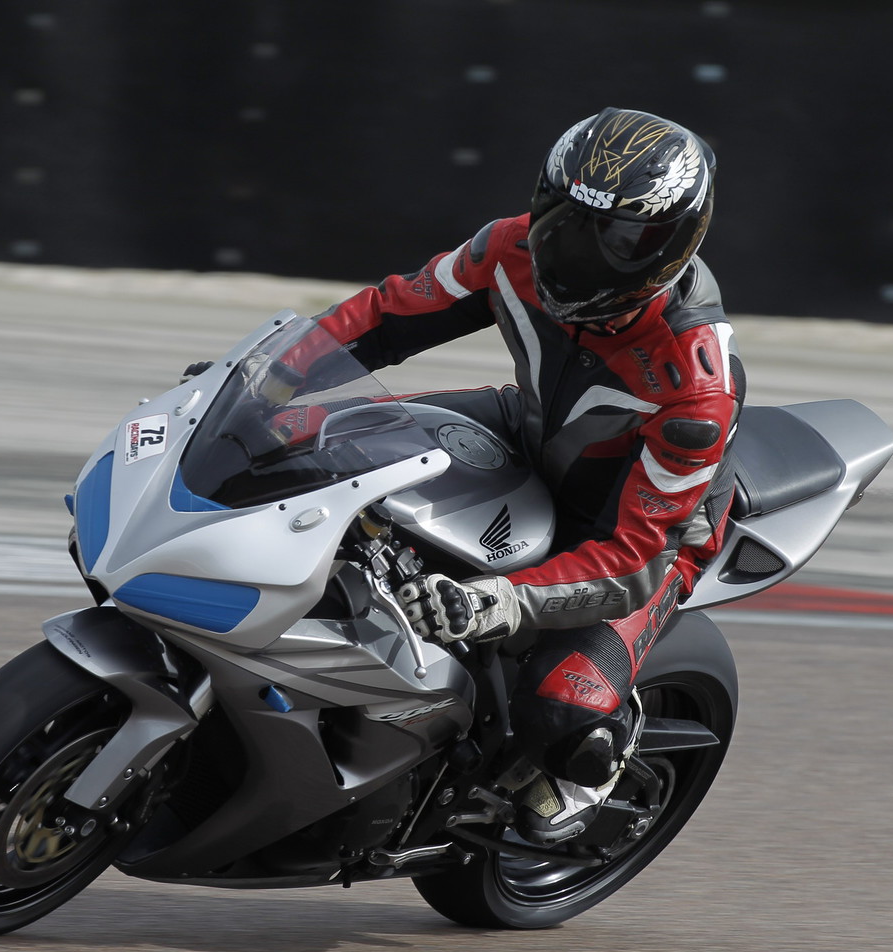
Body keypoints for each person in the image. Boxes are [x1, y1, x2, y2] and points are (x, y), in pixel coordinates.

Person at [299, 107, 744, 844]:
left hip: (643, 533)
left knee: (560, 709)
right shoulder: (508, 248)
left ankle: (596, 763)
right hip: (530, 426)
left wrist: (498, 602)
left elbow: (633, 558)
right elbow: (386, 315)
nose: (574, 255)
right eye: (565, 220)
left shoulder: (692, 385)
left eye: (617, 240)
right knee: (318, 439)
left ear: (672, 245)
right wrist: (268, 376)